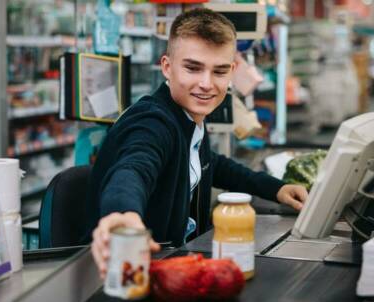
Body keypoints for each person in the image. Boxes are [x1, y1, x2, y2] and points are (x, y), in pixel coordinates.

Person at [86, 8, 308, 279]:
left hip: (170, 269)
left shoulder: (189, 118)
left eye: (219, 71)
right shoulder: (153, 121)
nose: (206, 84)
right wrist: (122, 214)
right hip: (127, 274)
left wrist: (277, 188)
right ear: (167, 67)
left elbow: (212, 163)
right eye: (193, 68)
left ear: (232, 72)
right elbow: (134, 167)